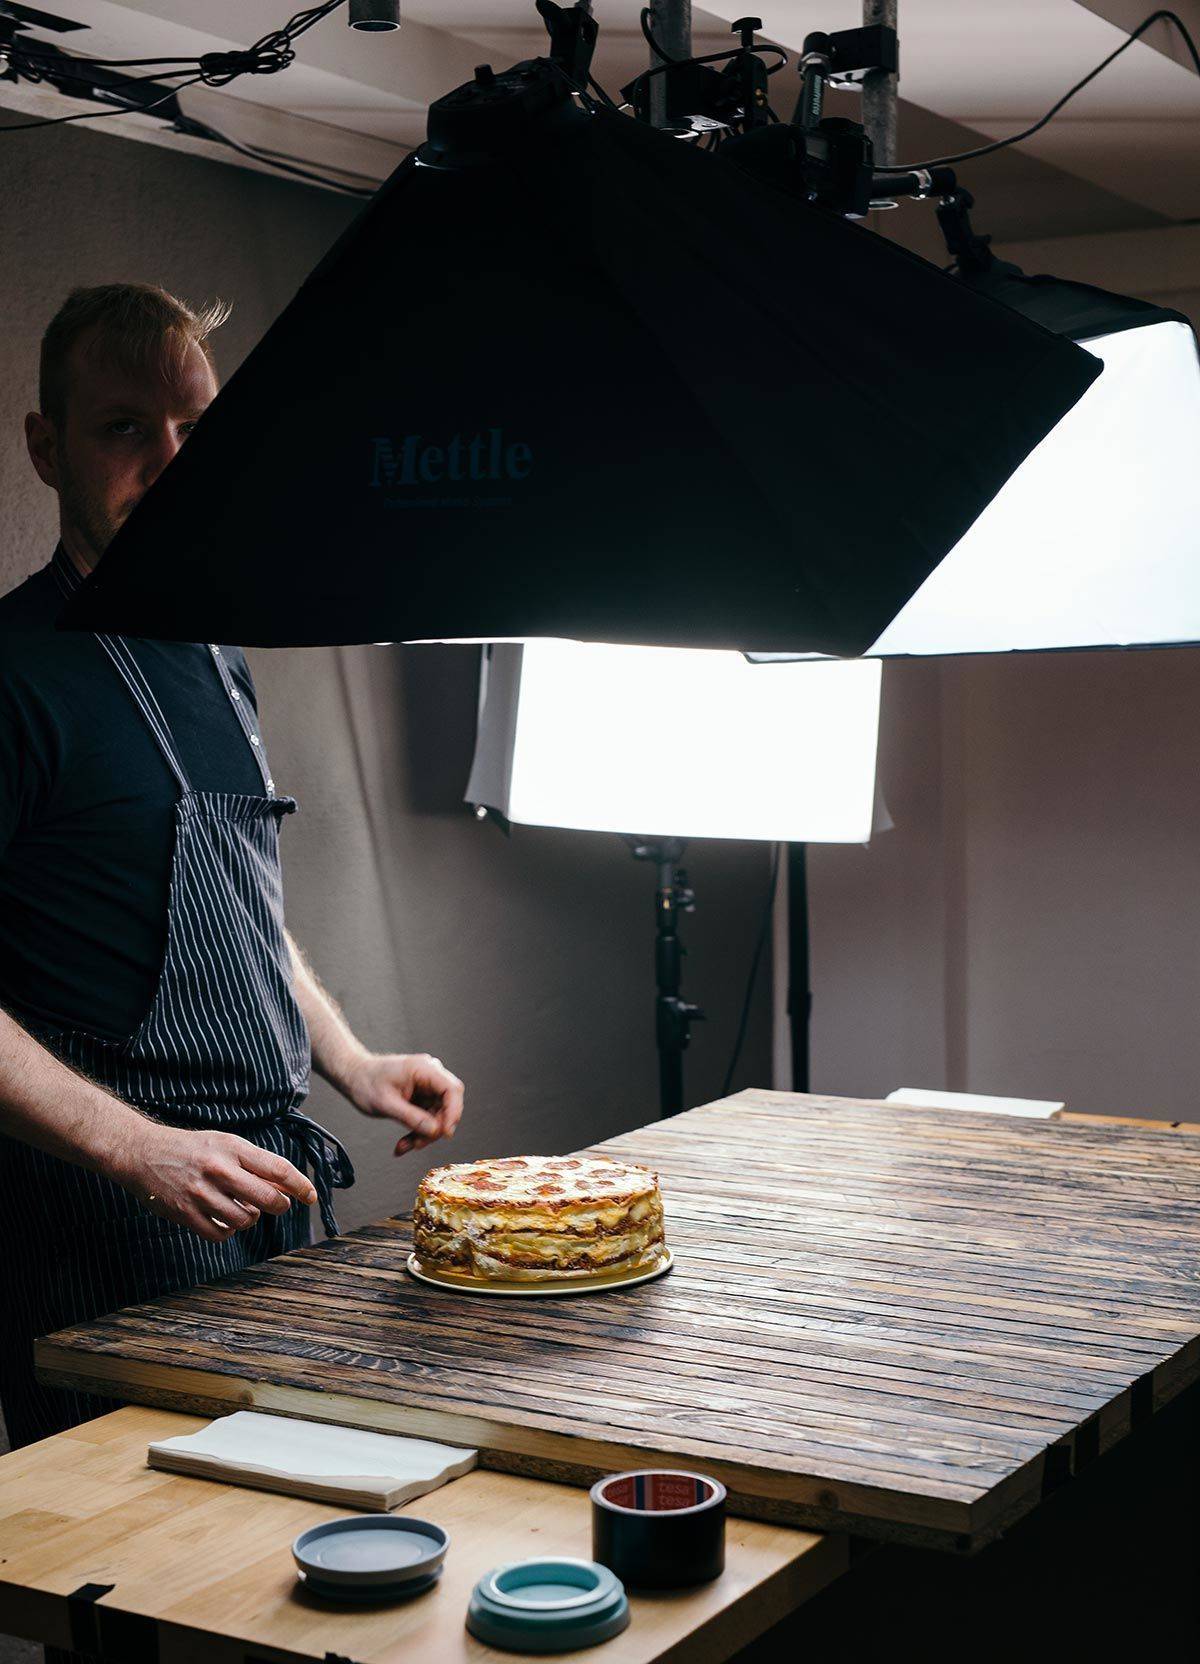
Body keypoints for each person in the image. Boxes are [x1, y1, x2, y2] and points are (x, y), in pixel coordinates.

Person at [0, 283, 465, 1449]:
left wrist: (349, 1058)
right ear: (46, 447)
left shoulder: (211, 644)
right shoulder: (12, 673)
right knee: (129, 1578)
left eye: (193, 427)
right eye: (123, 427)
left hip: (258, 1180)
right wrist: (136, 1146)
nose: (167, 458)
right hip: (99, 1216)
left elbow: (230, 891)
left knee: (268, 1540)